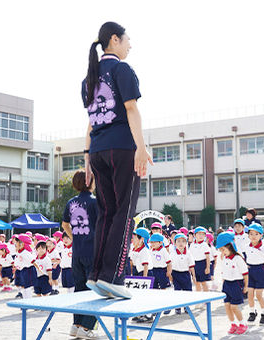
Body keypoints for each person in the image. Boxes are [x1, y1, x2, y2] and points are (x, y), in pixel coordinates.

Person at [82, 21, 152, 299]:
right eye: (127, 39)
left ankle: (97, 274)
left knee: (107, 214)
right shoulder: (122, 70)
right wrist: (141, 147)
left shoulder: (89, 77)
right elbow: (131, 109)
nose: (130, 44)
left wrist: (87, 159)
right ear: (114, 39)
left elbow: (90, 123)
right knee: (124, 213)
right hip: (121, 148)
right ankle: (113, 277)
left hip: (98, 150)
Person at [61, 170, 99, 339]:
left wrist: (74, 238)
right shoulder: (95, 202)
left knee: (79, 289)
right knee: (95, 290)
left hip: (77, 252)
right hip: (92, 252)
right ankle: (86, 327)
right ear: (89, 182)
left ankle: (76, 325)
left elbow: (64, 224)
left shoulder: (71, 202)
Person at [216, 232, 249, 335]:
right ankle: (233, 324)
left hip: (236, 284)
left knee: (234, 306)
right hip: (226, 284)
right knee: (227, 305)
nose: (222, 252)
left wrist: (246, 286)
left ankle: (243, 324)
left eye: (223, 250)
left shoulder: (238, 259)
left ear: (231, 247)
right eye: (220, 250)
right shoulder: (224, 258)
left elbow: (245, 274)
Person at [244, 224, 264, 324]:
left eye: (256, 234)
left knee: (259, 295)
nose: (253, 236)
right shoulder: (246, 247)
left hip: (260, 270)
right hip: (250, 270)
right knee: (250, 294)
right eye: (251, 234)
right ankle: (252, 312)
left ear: (261, 235)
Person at [170, 233, 196, 315]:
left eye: (183, 241)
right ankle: (177, 307)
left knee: (187, 291)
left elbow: (191, 266)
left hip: (185, 274)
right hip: (176, 274)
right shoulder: (172, 253)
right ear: (175, 243)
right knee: (177, 291)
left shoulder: (188, 254)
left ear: (186, 243)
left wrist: (194, 276)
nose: (181, 243)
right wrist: (170, 276)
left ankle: (186, 307)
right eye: (178, 241)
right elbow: (170, 266)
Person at [189, 227, 211, 296]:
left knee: (204, 283)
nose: (201, 236)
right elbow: (190, 257)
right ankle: (199, 299)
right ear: (195, 235)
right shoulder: (192, 245)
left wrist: (208, 267)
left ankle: (207, 300)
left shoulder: (205, 245)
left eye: (203, 234)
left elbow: (208, 257)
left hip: (203, 264)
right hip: (195, 265)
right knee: (197, 282)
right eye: (199, 234)